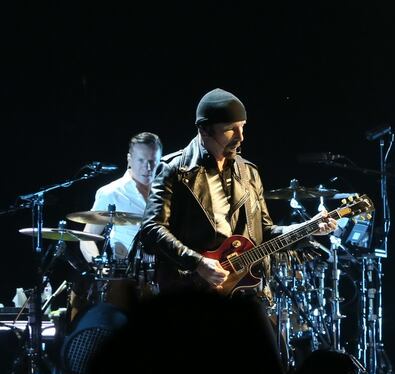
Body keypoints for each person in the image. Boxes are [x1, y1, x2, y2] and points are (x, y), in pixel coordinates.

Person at [140, 88, 337, 292]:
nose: (240, 136)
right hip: (190, 289)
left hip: (243, 290)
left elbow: (266, 233)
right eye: (230, 129)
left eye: (242, 127)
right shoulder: (175, 170)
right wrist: (197, 263)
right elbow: (152, 229)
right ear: (204, 130)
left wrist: (308, 227)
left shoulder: (248, 172)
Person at [79, 132, 162, 263]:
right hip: (128, 274)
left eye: (153, 161)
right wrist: (99, 267)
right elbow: (87, 238)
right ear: (129, 159)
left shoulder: (167, 191)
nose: (148, 167)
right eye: (141, 160)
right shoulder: (111, 192)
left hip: (167, 273)